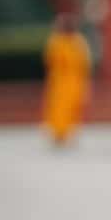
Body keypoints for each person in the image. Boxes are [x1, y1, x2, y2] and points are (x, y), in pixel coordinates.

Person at [41, 12, 92, 146]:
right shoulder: (56, 41)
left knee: (73, 108)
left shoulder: (78, 41)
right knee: (58, 108)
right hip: (59, 80)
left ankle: (68, 133)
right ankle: (58, 134)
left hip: (74, 81)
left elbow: (84, 63)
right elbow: (50, 61)